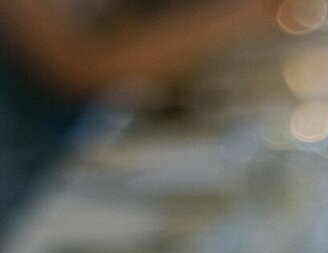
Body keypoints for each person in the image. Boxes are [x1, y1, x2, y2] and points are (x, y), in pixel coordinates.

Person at [0, 0, 279, 226]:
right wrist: (240, 16)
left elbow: (120, 31)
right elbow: (79, 72)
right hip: (26, 185)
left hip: (83, 158)